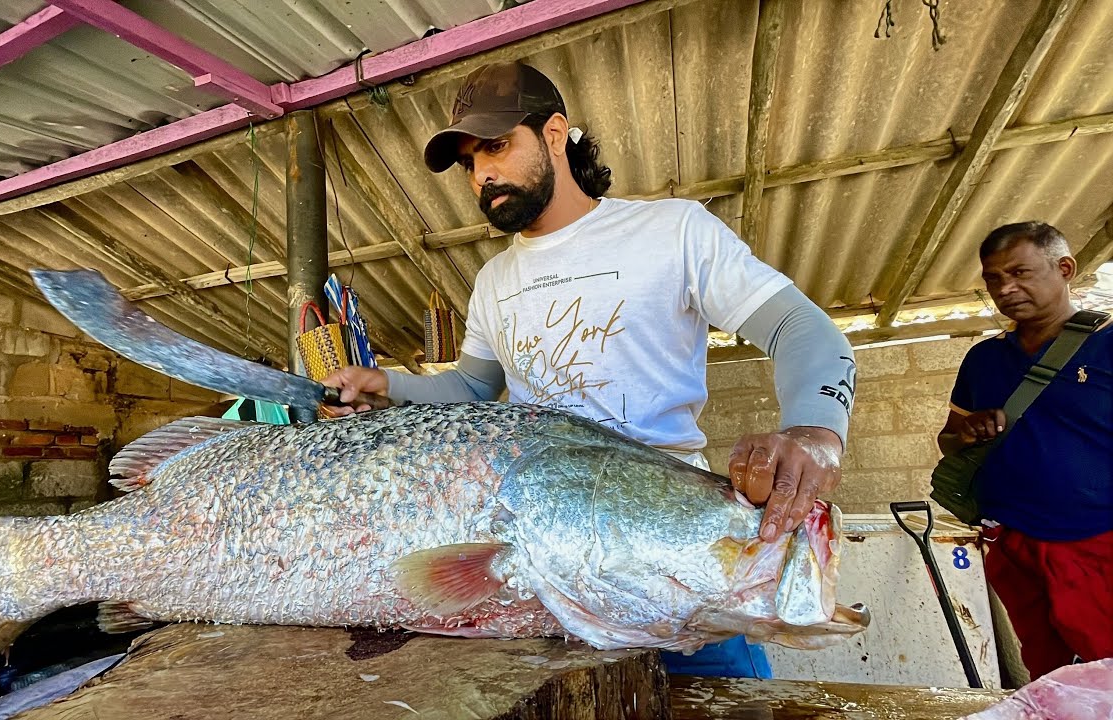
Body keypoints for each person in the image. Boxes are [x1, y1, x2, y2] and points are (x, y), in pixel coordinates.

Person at [322, 62, 857, 677]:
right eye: (469, 162)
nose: (482, 174)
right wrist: (388, 385)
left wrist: (814, 431)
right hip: (544, 573)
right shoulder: (494, 281)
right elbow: (471, 389)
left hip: (667, 558)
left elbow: (802, 328)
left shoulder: (671, 230)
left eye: (495, 147)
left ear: (554, 132)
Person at [937, 222, 1111, 679]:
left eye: (1020, 273)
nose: (1005, 288)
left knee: (1104, 667)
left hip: (1096, 541)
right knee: (1049, 669)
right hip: (1012, 541)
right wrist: (968, 431)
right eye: (994, 278)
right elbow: (948, 440)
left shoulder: (1108, 344)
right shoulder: (983, 358)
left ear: (1065, 268)